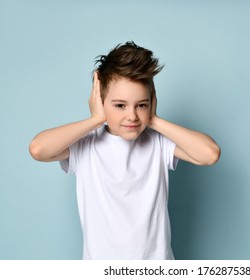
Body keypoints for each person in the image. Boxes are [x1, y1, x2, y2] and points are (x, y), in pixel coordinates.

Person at [29, 41, 221, 260]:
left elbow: (210, 153)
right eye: (120, 105)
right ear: (100, 100)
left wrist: (154, 121)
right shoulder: (86, 146)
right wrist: (96, 120)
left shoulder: (158, 143)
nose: (132, 115)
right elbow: (38, 149)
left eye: (141, 105)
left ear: (152, 101)